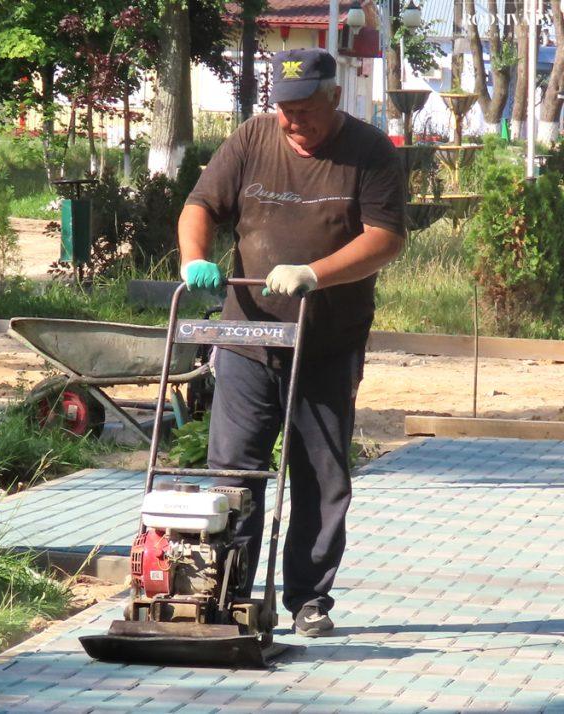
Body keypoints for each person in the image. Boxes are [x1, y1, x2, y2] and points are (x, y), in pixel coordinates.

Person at [177, 48, 406, 637]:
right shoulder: (253, 138)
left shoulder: (370, 152)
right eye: (284, 108)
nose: (292, 120)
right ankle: (226, 590)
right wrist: (194, 258)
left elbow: (385, 238)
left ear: (334, 98)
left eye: (304, 108)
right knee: (235, 473)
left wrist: (316, 273)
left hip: (326, 342)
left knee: (320, 474)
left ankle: (308, 599)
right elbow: (201, 204)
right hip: (247, 336)